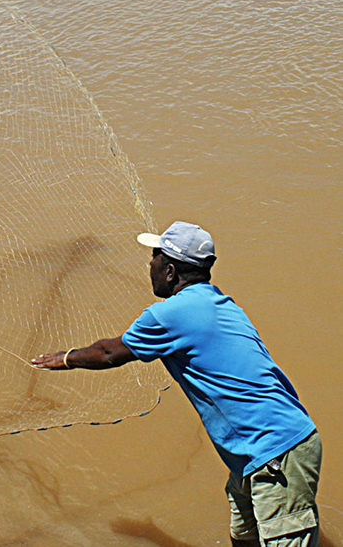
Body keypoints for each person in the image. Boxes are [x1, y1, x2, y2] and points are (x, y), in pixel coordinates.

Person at [31, 221, 321, 546]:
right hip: (264, 451)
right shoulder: (221, 303)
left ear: (170, 272)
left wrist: (65, 358)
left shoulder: (170, 314)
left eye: (155, 256)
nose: (149, 263)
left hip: (275, 451)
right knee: (245, 538)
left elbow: (109, 353)